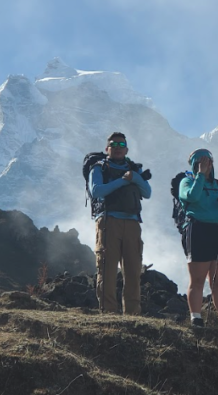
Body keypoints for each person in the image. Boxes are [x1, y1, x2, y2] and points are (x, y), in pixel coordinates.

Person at [90, 132, 152, 315]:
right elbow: (96, 191)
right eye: (113, 144)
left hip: (132, 223)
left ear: (127, 149)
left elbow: (147, 193)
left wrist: (135, 177)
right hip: (108, 221)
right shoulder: (99, 168)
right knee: (107, 269)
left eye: (121, 144)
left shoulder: (134, 169)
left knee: (133, 271)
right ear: (107, 149)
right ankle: (108, 312)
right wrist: (123, 181)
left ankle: (133, 314)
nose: (117, 147)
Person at [179, 148, 218, 328]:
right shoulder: (186, 181)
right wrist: (200, 176)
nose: (206, 166)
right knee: (197, 280)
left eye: (208, 163)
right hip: (197, 230)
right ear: (195, 165)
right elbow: (192, 197)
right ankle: (196, 318)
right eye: (201, 163)